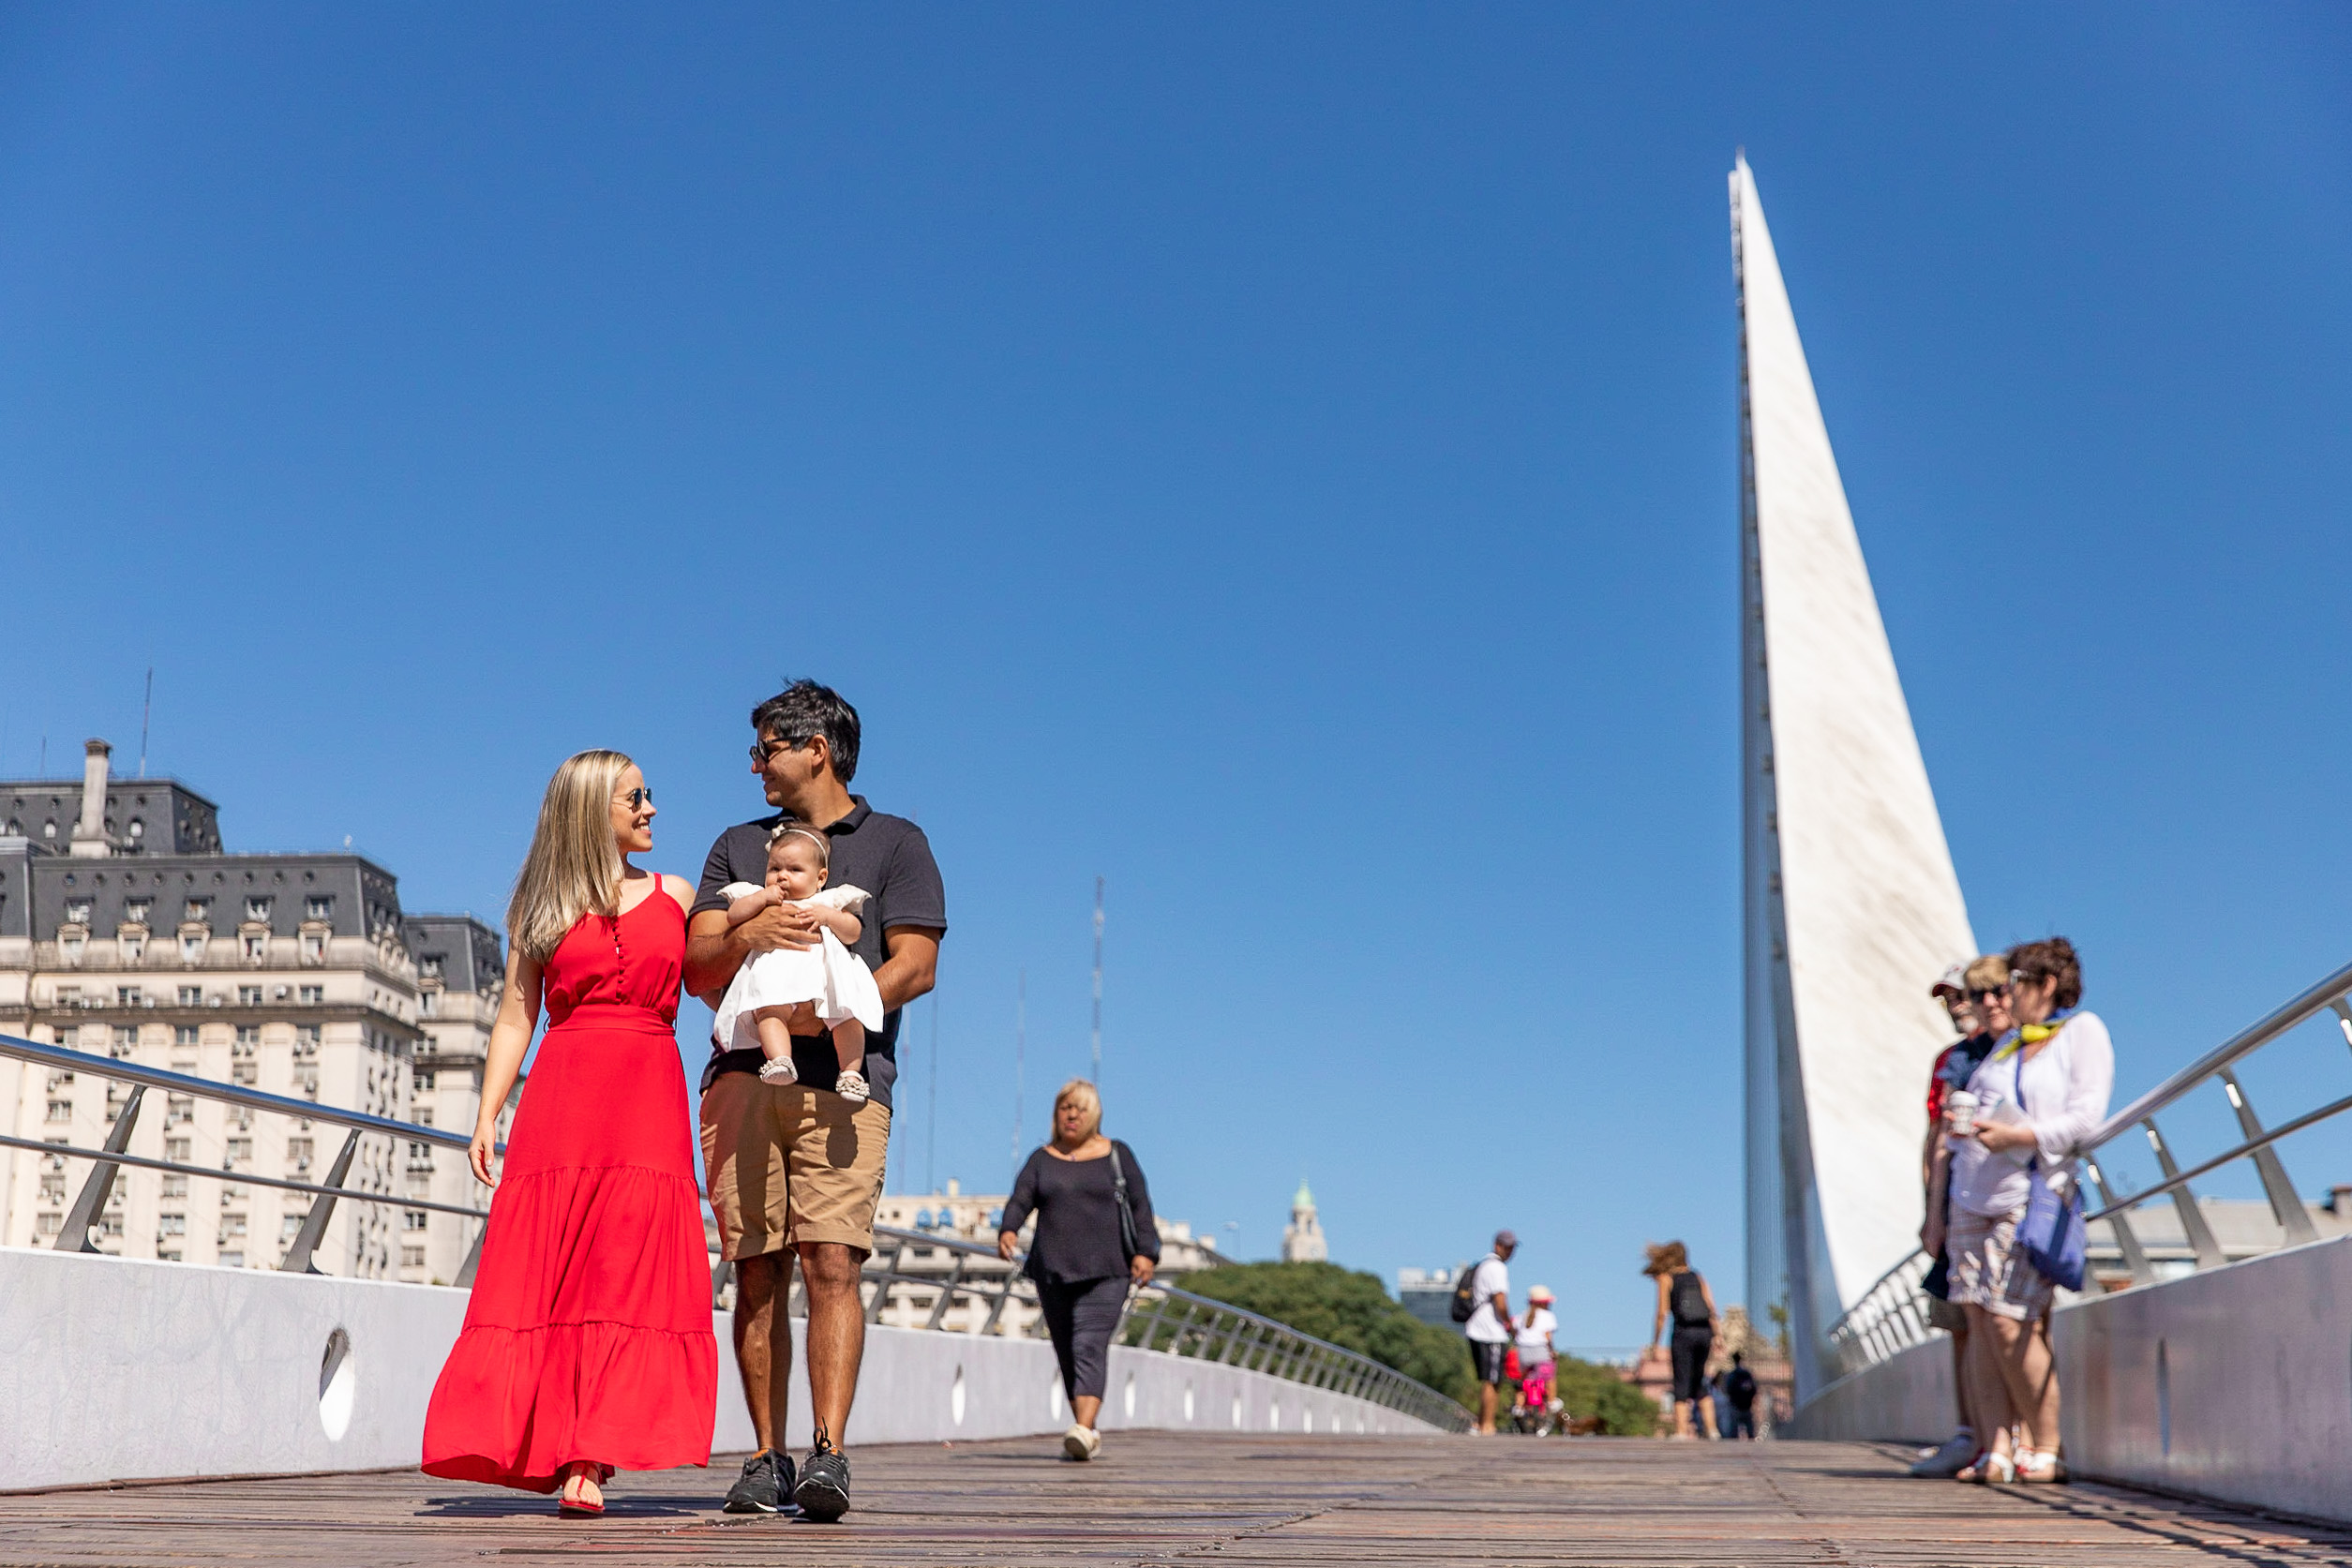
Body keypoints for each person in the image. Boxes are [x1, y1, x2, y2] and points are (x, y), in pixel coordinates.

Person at [421, 752, 716, 1515]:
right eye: (635, 798)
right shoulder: (540, 908)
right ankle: (560, 1444)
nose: (651, 808)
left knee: (625, 1265)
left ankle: (590, 1452)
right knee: (562, 1272)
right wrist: (487, 1113)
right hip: (565, 1099)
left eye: (649, 794)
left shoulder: (677, 894)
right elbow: (516, 1015)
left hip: (648, 1094)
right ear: (593, 812)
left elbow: (718, 973)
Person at [686, 681, 947, 1521]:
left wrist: (833, 1003)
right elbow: (697, 966)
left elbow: (916, 962)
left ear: (816, 749)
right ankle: (765, 1456)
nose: (754, 763)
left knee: (833, 1260)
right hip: (741, 1076)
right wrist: (746, 934)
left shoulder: (897, 843)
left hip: (846, 1079)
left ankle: (829, 1454)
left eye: (765, 747)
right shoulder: (736, 846)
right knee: (754, 1269)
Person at [1946, 936, 2112, 1485]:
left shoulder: (2079, 1032)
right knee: (1979, 1322)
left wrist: (2019, 1134)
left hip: (2029, 1195)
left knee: (2009, 1320)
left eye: (2013, 981)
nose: (2004, 993)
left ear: (2043, 985)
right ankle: (1996, 1447)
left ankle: (2047, 1445)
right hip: (1973, 1198)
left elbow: (2086, 1117)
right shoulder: (2005, 1047)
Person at [996, 1080, 1161, 1461]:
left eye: (1080, 1109)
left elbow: (1141, 1207)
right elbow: (1021, 1199)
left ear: (1095, 1115)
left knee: (1089, 1342)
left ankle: (1084, 1427)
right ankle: (1085, 1431)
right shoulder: (1042, 1159)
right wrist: (1008, 1229)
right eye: (1066, 1108)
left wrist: (1146, 1253)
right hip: (1053, 1269)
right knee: (1067, 1349)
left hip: (1109, 1270)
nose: (1072, 1115)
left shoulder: (1117, 1155)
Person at [1911, 954, 2011, 1478]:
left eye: (1962, 995)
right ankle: (1971, 1432)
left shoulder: (2012, 1050)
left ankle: (2000, 1438)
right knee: (1959, 1319)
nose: (1956, 1006)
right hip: (1957, 1203)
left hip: (2001, 1199)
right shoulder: (1951, 1061)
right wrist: (1933, 1211)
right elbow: (1937, 1140)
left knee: (2000, 1317)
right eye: (1949, 998)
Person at [712, 822, 882, 1101]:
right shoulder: (763, 900)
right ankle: (780, 1059)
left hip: (824, 979)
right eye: (774, 869)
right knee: (767, 1011)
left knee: (848, 1017)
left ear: (820, 877)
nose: (782, 877)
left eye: (794, 870)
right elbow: (733, 916)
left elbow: (854, 931)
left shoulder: (828, 901)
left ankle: (851, 1073)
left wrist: (828, 917)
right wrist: (761, 898)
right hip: (776, 976)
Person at [1643, 1241, 1718, 1439]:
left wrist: (1655, 1343)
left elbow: (1661, 1313)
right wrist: (1718, 1336)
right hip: (1705, 1332)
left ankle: (1681, 1431)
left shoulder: (1666, 1278)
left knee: (1681, 1380)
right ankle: (1712, 1430)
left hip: (1683, 1333)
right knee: (1700, 1380)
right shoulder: (1697, 1276)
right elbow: (1711, 1307)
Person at [1461, 1230, 1519, 1434]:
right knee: (1493, 1380)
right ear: (1497, 1246)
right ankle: (1487, 1425)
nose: (1510, 1252)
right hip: (1490, 1330)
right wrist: (1509, 1324)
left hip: (1476, 1328)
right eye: (1507, 1247)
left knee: (1488, 1379)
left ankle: (1480, 1422)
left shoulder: (1483, 1265)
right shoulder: (1496, 1267)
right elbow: (1500, 1299)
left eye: (1513, 1247)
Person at [1513, 1285, 1561, 1426]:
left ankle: (1519, 1407)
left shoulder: (1522, 1315)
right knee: (1550, 1377)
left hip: (1523, 1352)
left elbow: (1514, 1330)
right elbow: (1548, 1337)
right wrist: (1552, 1352)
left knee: (1523, 1381)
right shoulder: (1548, 1316)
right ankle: (1551, 1402)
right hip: (1540, 1351)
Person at [1721, 1351, 1759, 1440]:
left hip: (1736, 1405)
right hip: (1746, 1405)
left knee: (1734, 1432)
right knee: (1750, 1432)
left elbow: (1728, 1389)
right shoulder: (1746, 1374)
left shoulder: (1732, 1375)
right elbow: (1753, 1388)